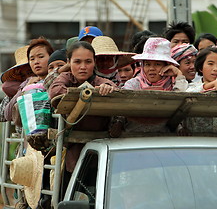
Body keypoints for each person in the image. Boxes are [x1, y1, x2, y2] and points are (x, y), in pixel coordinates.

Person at [49, 41, 117, 172]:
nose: (83, 67)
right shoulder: (65, 78)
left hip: (100, 143)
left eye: (88, 62)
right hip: (71, 144)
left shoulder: (99, 81)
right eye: (77, 62)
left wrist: (107, 88)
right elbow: (55, 91)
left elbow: (113, 87)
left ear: (94, 62)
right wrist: (83, 94)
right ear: (69, 62)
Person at [183, 47, 217, 135]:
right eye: (210, 64)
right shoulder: (191, 86)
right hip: (192, 139)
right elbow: (190, 93)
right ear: (201, 67)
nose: (216, 69)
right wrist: (212, 84)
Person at [5, 37, 54, 122]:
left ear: (51, 57)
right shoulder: (27, 83)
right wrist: (25, 89)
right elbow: (8, 115)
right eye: (32, 59)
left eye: (41, 57)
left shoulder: (58, 79)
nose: (36, 62)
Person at [123, 37, 187, 91]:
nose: (151, 68)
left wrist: (179, 74)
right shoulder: (133, 85)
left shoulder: (174, 83)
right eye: (147, 64)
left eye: (157, 64)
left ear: (167, 65)